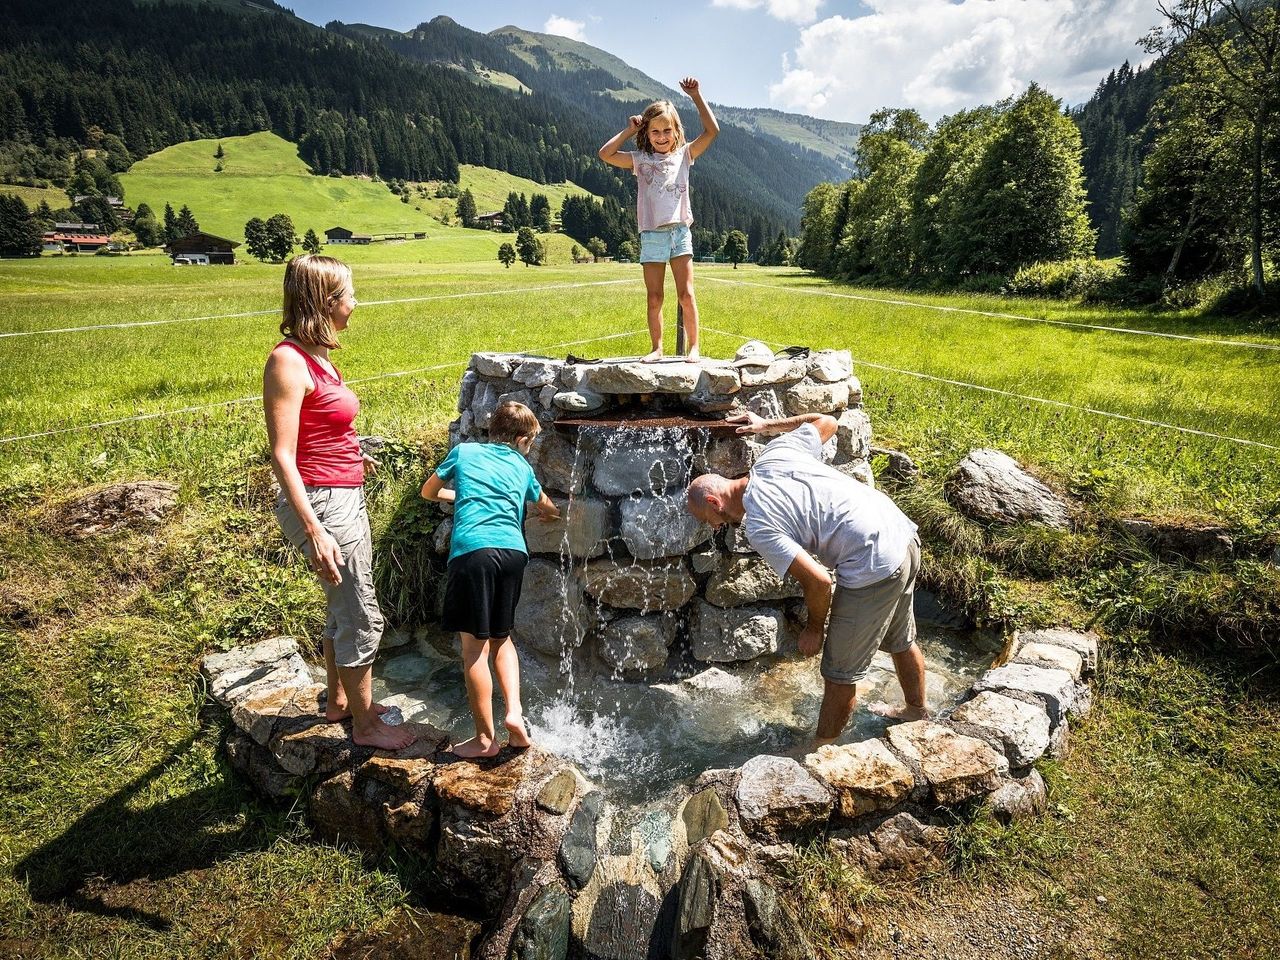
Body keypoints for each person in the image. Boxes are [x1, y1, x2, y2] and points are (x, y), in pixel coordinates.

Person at [686, 410, 928, 748]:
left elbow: (819, 582)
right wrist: (766, 426)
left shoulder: (758, 524)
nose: (714, 527)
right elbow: (828, 422)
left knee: (839, 672)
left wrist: (815, 628)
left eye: (709, 519)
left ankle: (820, 750)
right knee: (900, 638)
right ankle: (916, 711)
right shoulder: (775, 455)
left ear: (715, 500)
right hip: (900, 533)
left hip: (872, 561)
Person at [263, 254, 415, 751]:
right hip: (320, 502)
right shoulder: (287, 360)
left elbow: (323, 429)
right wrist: (315, 530)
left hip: (340, 488)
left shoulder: (322, 356)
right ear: (325, 302)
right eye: (349, 293)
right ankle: (367, 726)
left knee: (341, 603)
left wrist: (353, 456)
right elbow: (283, 454)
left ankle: (338, 703)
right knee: (360, 610)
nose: (356, 302)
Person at [421, 401, 560, 758]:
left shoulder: (464, 452)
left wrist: (462, 496)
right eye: (530, 442)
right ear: (521, 439)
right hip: (514, 554)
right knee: (502, 638)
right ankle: (514, 713)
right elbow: (548, 507)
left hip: (472, 553)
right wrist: (548, 515)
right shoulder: (521, 465)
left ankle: (485, 739)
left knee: (473, 650)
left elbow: (428, 491)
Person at [598, 77, 719, 363]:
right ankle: (657, 348)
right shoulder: (639, 159)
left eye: (667, 130)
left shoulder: (685, 153)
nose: (662, 136)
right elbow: (605, 154)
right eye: (655, 131)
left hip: (679, 233)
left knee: (686, 294)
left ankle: (694, 347)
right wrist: (629, 131)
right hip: (652, 234)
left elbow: (712, 130)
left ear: (677, 131)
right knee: (654, 297)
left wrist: (696, 96)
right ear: (647, 133)